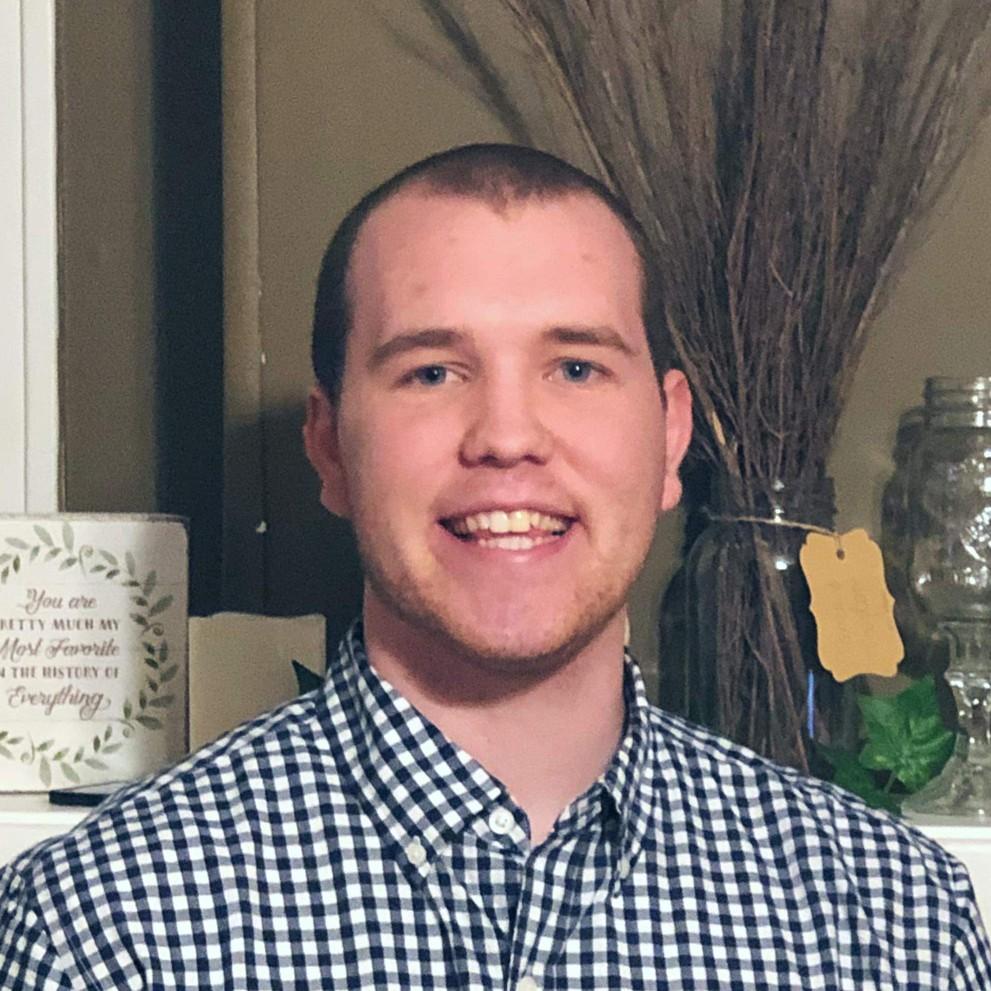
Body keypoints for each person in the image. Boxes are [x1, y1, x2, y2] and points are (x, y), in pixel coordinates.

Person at [1, 144, 988, 989]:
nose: (508, 436)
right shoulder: (102, 932)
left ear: (668, 436)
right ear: (330, 447)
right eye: (432, 371)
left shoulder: (893, 925)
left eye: (575, 367)